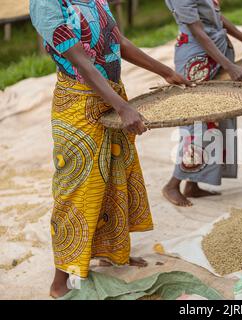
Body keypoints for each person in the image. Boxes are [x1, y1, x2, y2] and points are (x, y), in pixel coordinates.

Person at [29, 0, 190, 298]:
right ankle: (60, 281)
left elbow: (118, 41)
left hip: (112, 97)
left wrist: (165, 71)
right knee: (78, 187)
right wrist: (124, 108)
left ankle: (112, 253)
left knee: (117, 177)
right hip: (78, 105)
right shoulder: (46, 3)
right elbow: (78, 59)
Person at [162, 0, 242, 207]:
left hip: (215, 51)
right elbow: (197, 31)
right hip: (197, 58)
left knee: (219, 118)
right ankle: (172, 184)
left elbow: (216, 19)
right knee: (199, 123)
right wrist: (229, 66)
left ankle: (193, 184)